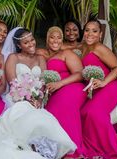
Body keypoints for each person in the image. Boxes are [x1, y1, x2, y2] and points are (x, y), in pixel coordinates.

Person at [0, 28, 76, 159]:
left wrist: (39, 99)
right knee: (24, 112)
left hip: (36, 99)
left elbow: (42, 82)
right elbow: (13, 83)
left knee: (42, 115)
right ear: (19, 45)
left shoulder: (40, 58)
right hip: (16, 97)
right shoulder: (13, 57)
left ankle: (45, 149)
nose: (31, 44)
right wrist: (26, 98)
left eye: (32, 40)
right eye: (26, 42)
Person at [81, 19, 117, 158]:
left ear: (100, 34)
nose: (90, 34)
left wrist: (104, 82)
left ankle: (109, 147)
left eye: (94, 31)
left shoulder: (100, 48)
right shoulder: (84, 47)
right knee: (84, 111)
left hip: (110, 85)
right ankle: (94, 144)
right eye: (87, 30)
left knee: (94, 112)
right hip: (96, 88)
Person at [44, 26, 87, 158]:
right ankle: (55, 148)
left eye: (59, 37)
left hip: (72, 86)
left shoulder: (67, 54)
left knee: (64, 105)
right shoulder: (42, 55)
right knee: (49, 110)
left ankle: (71, 148)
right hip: (54, 91)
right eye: (52, 37)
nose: (55, 40)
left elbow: (80, 74)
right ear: (47, 39)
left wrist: (60, 84)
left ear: (62, 40)